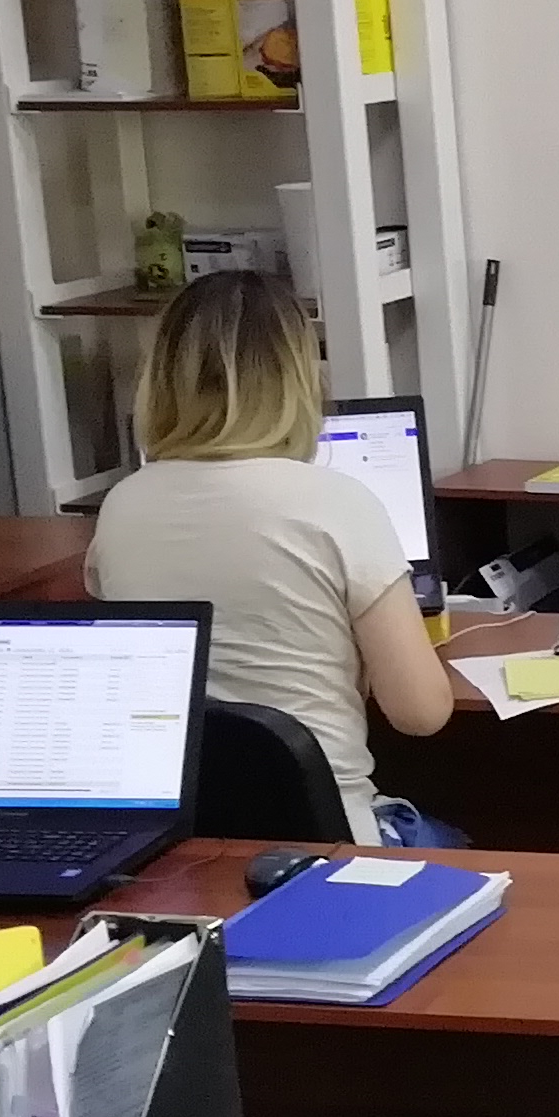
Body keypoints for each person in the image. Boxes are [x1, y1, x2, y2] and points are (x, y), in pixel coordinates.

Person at [85, 269, 457, 842]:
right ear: (299, 379)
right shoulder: (338, 501)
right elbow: (420, 713)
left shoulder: (122, 505)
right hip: (330, 836)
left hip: (179, 841)